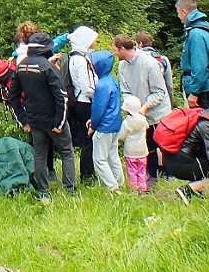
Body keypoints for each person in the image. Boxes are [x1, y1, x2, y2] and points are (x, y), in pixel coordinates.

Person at [7, 32, 76, 200]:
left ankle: (43, 192)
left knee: (40, 155)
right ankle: (70, 192)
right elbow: (62, 96)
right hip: (53, 120)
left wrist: (24, 120)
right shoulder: (47, 67)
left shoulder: (21, 66)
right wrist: (59, 124)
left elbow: (13, 97)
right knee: (67, 152)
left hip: (34, 121)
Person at [113, 34, 172, 185]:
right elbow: (125, 90)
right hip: (138, 115)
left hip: (157, 112)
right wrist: (130, 107)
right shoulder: (122, 65)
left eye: (115, 50)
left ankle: (170, 174)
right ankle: (150, 177)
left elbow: (160, 92)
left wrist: (144, 108)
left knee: (164, 145)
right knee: (147, 146)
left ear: (123, 49)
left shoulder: (149, 63)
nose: (114, 53)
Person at [164, 91, 209, 201]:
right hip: (179, 163)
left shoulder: (203, 115)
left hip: (173, 160)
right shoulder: (208, 126)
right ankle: (186, 190)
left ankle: (199, 191)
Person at [65, 26, 99, 185]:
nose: (95, 43)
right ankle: (87, 174)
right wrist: (97, 96)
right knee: (89, 140)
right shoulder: (80, 59)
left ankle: (88, 172)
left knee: (88, 139)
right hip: (85, 102)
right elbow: (86, 85)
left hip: (80, 101)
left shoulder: (75, 56)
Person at [87, 49, 123, 192]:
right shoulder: (112, 81)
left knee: (99, 159)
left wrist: (93, 125)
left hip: (104, 127)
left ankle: (112, 188)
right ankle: (119, 181)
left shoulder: (101, 85)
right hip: (115, 124)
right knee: (112, 155)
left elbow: (99, 108)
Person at [177, 0, 209, 108]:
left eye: (178, 13)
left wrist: (194, 92)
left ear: (184, 12)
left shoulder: (196, 34)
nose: (179, 17)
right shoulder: (205, 28)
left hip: (203, 91)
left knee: (202, 124)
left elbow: (200, 66)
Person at [119, 95, 150, 192]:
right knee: (142, 171)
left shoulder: (126, 123)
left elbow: (121, 137)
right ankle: (142, 188)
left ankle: (133, 189)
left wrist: (117, 144)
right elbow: (147, 127)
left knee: (132, 171)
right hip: (142, 151)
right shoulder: (142, 120)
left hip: (130, 152)